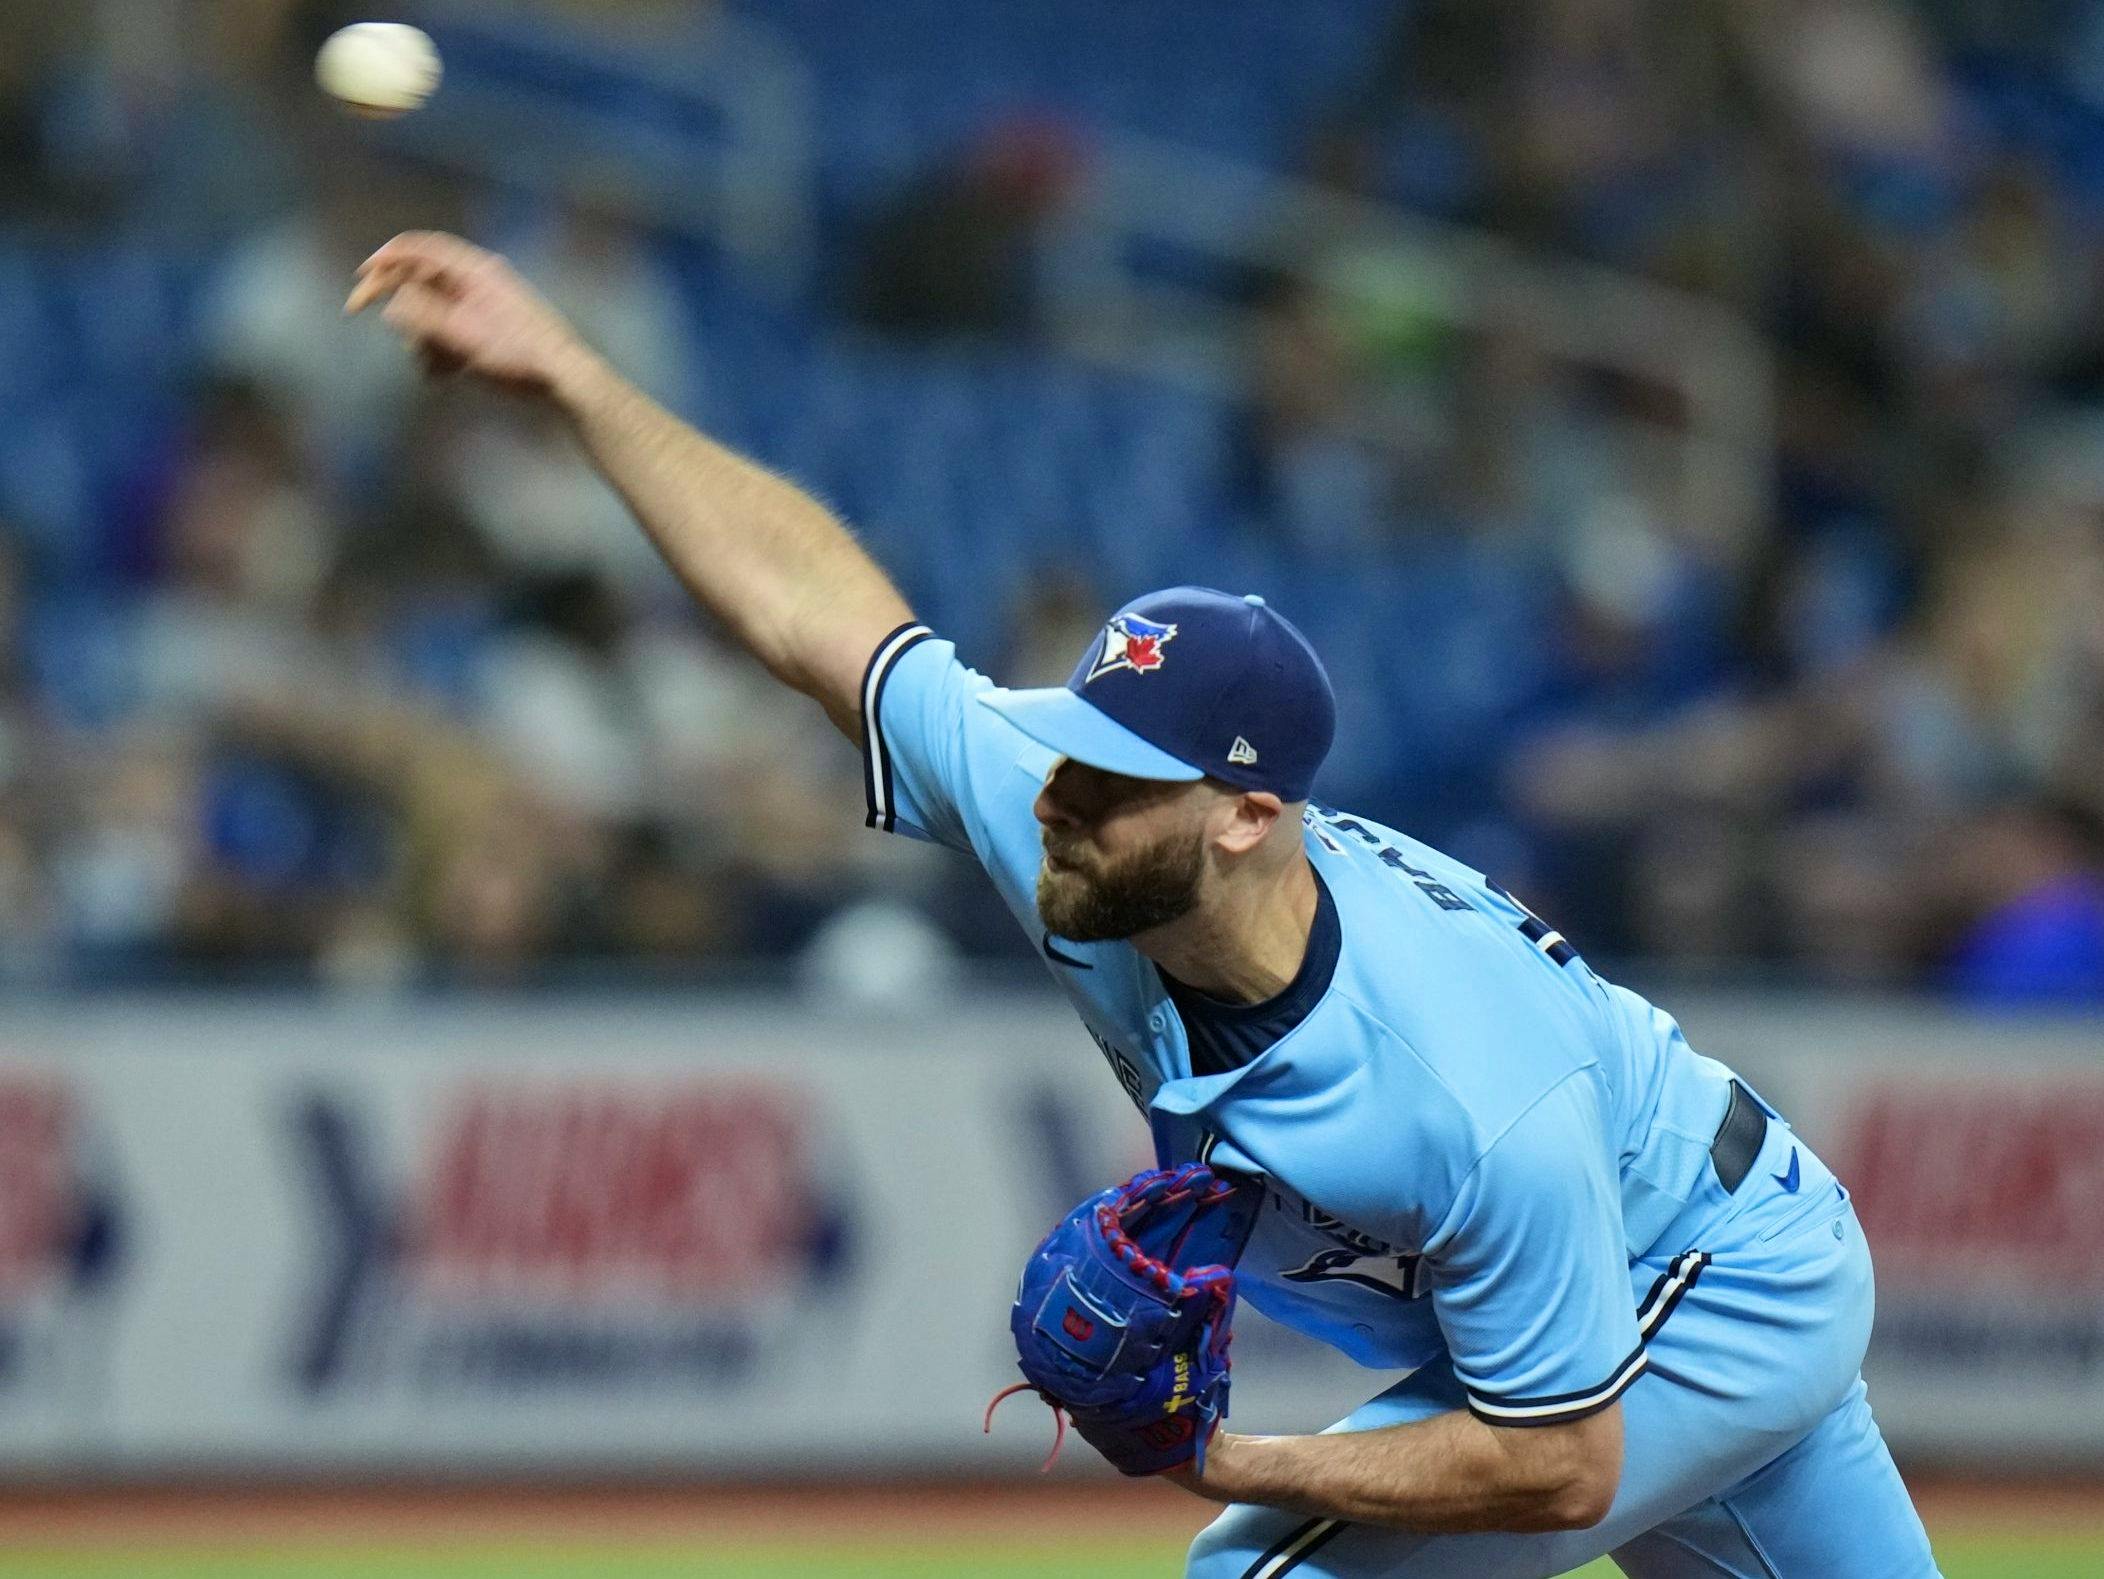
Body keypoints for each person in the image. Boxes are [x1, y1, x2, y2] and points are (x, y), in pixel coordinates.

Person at [347, 233, 1941, 1578]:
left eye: (1112, 775)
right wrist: (571, 374)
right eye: (1064, 748)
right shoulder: (1080, 848)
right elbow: (809, 613)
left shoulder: (1466, 1079)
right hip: (1633, 1265)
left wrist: (1224, 1454)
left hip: (1709, 1273)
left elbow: (1560, 1467)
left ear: (1249, 814)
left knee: (1257, 1566)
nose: (1059, 791)